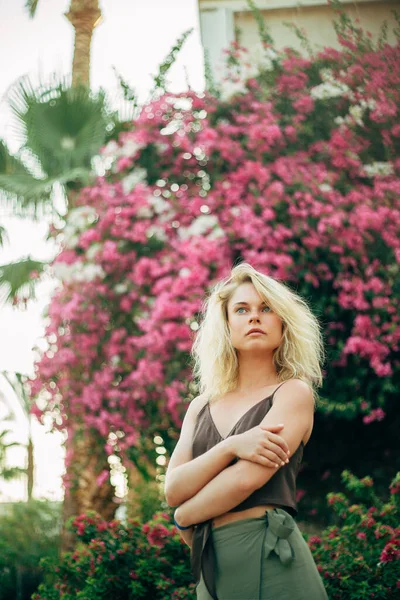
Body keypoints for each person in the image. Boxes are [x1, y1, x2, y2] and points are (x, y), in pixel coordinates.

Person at [164, 262, 329, 600]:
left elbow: (246, 480)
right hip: (211, 562)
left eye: (266, 308)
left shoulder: (293, 392)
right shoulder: (200, 406)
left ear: (282, 323)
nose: (255, 317)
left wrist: (183, 517)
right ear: (226, 325)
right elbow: (173, 488)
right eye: (242, 309)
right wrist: (232, 446)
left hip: (271, 556)